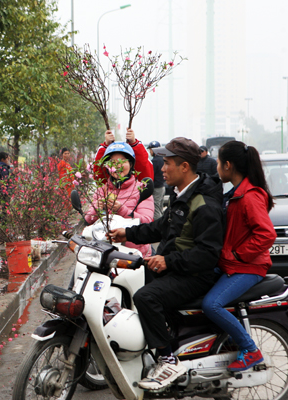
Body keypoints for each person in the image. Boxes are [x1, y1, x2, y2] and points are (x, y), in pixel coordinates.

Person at [108, 137, 224, 390]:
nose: (161, 168)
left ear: (184, 167)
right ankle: (170, 344)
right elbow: (160, 228)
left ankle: (168, 358)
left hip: (196, 275)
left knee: (146, 297)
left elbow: (208, 254)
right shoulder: (181, 194)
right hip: (180, 269)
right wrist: (126, 233)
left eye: (167, 163)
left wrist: (167, 260)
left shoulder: (204, 204)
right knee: (143, 280)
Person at [201, 141, 276, 372]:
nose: (216, 169)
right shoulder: (235, 193)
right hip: (232, 264)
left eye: (218, 164)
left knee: (211, 305)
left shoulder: (249, 195)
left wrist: (238, 253)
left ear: (228, 165)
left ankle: (250, 349)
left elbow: (266, 234)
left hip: (249, 267)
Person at [85, 142, 154, 257]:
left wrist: (122, 210)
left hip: (135, 254)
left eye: (123, 161)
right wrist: (96, 209)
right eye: (113, 162)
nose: (118, 166)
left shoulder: (141, 189)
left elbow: (146, 222)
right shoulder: (101, 191)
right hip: (104, 253)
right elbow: (88, 220)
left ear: (131, 164)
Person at [148, 141, 166, 220]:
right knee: (160, 208)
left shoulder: (154, 161)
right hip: (162, 186)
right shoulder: (163, 159)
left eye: (150, 149)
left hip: (156, 188)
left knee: (155, 209)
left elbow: (151, 175)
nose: (150, 151)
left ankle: (158, 228)